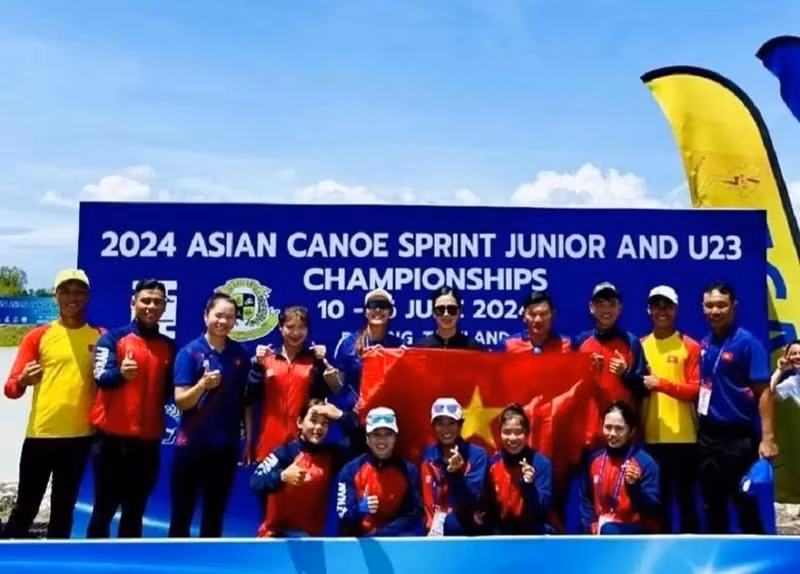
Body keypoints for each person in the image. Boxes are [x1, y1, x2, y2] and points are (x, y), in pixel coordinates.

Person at [2, 270, 102, 539]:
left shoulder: (100, 336)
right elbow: (10, 389)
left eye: (79, 291)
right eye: (66, 291)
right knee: (25, 507)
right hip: (41, 436)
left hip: (81, 438)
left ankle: (56, 563)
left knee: (63, 510)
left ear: (88, 297)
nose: (73, 297)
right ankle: (11, 560)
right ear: (56, 296)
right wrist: (23, 380)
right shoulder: (38, 336)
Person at [87, 279, 176, 538]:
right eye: (146, 300)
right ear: (133, 303)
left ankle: (128, 565)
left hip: (147, 442)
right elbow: (101, 376)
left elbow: (173, 389)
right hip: (111, 440)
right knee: (103, 508)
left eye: (157, 302)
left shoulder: (169, 346)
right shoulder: (112, 339)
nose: (151, 306)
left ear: (164, 307)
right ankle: (94, 563)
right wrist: (121, 374)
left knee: (135, 510)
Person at [168, 292, 256, 538]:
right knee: (182, 516)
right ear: (206, 316)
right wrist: (201, 386)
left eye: (230, 317)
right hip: (191, 447)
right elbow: (181, 402)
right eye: (218, 315)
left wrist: (248, 441)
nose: (223, 321)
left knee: (214, 516)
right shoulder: (189, 353)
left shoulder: (240, 355)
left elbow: (246, 401)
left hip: (225, 447)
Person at [696, 281, 777, 534]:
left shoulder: (748, 343)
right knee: (712, 506)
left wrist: (768, 439)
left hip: (739, 439)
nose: (715, 311)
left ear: (733, 307)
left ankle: (757, 566)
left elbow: (764, 393)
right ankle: (718, 565)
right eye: (710, 305)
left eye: (721, 305)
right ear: (703, 308)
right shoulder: (705, 343)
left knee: (745, 504)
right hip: (708, 438)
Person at [640, 285, 700, 533]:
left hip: (684, 437)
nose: (661, 310)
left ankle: (692, 559)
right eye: (656, 305)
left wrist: (661, 384)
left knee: (687, 502)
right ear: (649, 310)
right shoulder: (640, 345)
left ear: (676, 309)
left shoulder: (690, 345)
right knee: (658, 504)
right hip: (651, 437)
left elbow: (695, 390)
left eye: (667, 305)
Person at [247, 306, 344, 462]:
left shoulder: (314, 361)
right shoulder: (266, 360)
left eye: (301, 328)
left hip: (303, 443)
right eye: (290, 327)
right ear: (280, 328)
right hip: (269, 442)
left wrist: (322, 364)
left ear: (307, 330)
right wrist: (257, 366)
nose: (296, 333)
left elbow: (331, 393)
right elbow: (250, 396)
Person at [250, 398, 358, 537]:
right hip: (274, 538)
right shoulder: (284, 453)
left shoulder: (332, 456)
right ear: (300, 422)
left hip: (310, 542)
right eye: (313, 420)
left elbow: (360, 441)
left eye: (324, 423)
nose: (319, 427)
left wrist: (341, 415)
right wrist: (282, 476)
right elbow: (255, 482)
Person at [575, 282, 648, 446]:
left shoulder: (631, 343)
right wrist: (587, 374)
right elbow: (570, 393)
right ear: (591, 308)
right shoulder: (580, 343)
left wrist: (626, 374)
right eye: (600, 304)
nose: (606, 310)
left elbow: (643, 390)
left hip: (623, 435)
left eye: (611, 304)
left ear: (619, 308)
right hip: (590, 436)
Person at [336, 407, 423, 536]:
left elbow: (413, 514)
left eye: (388, 434)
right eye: (376, 434)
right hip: (359, 544)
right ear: (367, 438)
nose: (382, 440)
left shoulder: (409, 471)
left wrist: (381, 534)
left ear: (395, 438)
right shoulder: (350, 470)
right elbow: (343, 517)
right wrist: (360, 510)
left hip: (394, 540)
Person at [579, 401, 660, 535]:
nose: (612, 433)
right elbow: (585, 498)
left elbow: (652, 510)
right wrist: (589, 525)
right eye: (608, 427)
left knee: (609, 530)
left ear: (631, 431)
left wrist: (634, 486)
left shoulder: (646, 463)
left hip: (634, 530)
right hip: (600, 528)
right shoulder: (593, 459)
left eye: (619, 429)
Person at [420, 397, 488, 536]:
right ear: (433, 426)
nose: (446, 429)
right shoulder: (428, 454)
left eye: (451, 423)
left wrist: (456, 474)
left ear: (460, 425)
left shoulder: (477, 454)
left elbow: (475, 499)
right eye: (440, 423)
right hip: (430, 531)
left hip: (463, 530)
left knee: (451, 524)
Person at [484, 404, 552, 534]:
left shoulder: (542, 464)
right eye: (507, 432)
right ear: (500, 434)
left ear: (526, 434)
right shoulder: (492, 463)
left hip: (532, 530)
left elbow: (543, 509)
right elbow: (487, 508)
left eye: (518, 432)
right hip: (500, 531)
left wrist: (529, 486)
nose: (512, 438)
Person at [500, 291, 571, 354]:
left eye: (543, 314)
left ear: (553, 315)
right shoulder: (508, 345)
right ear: (524, 316)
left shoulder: (568, 345)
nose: (538, 320)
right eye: (532, 314)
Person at [414, 286, 482, 349]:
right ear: (434, 313)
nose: (446, 314)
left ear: (460, 312)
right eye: (440, 309)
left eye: (452, 309)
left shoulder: (472, 347)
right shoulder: (421, 348)